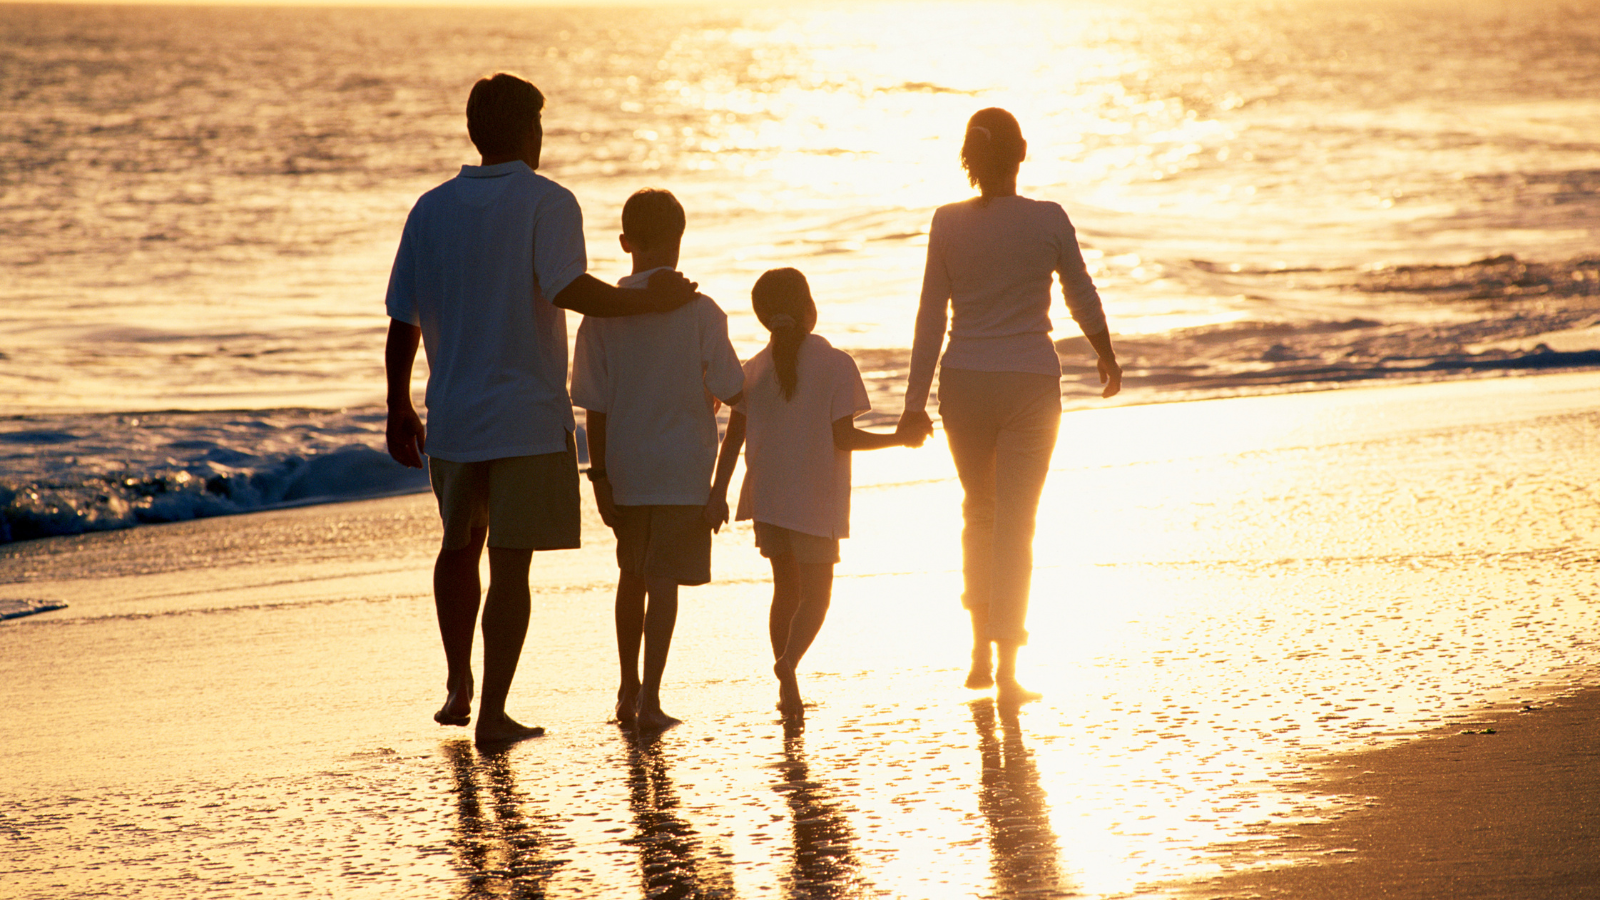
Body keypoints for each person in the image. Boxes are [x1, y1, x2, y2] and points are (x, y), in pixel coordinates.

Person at [384, 73, 698, 745]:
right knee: (511, 563)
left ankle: (456, 680)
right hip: (527, 415)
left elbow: (403, 316)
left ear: (476, 132)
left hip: (454, 414)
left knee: (457, 547)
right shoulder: (548, 201)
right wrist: (650, 300)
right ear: (530, 132)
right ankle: (493, 712)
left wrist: (397, 404)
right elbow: (571, 288)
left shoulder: (429, 208)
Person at [898, 107, 1121, 707]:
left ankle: (976, 647)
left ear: (969, 159)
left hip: (964, 381)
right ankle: (1006, 667)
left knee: (982, 510)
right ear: (1021, 152)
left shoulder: (946, 223)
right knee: (1016, 522)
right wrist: (1105, 353)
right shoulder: (1048, 219)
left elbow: (929, 317)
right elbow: (1081, 292)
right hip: (1029, 381)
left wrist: (913, 402)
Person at [708, 268, 926, 723]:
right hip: (813, 497)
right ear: (810, 309)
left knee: (784, 590)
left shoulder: (752, 371)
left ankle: (788, 688)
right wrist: (899, 439)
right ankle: (788, 664)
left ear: (763, 317)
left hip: (766, 494)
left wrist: (718, 494)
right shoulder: (836, 363)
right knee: (817, 596)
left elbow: (733, 439)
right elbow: (843, 438)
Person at [570, 188, 746, 732]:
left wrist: (598, 478)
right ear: (680, 240)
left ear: (626, 243)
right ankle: (651, 697)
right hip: (682, 470)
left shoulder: (600, 317)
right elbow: (737, 392)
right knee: (664, 581)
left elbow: (593, 406)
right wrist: (721, 486)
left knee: (631, 576)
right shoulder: (702, 311)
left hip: (625, 468)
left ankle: (626, 690)